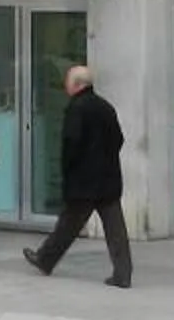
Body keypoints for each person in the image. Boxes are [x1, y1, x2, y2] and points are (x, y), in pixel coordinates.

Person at [21, 63, 131, 289]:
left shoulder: (76, 108)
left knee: (68, 224)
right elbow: (119, 139)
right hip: (108, 178)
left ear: (77, 85)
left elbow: (71, 144)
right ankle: (123, 273)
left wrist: (67, 172)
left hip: (84, 181)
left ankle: (45, 259)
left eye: (67, 82)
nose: (65, 86)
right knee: (115, 229)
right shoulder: (106, 107)